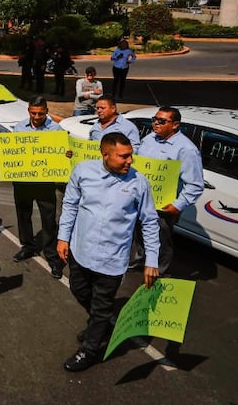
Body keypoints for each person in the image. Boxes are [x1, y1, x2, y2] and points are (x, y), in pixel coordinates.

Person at [56, 131, 160, 372]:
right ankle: (99, 324)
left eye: (131, 156)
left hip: (112, 259)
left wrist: (151, 260)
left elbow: (149, 222)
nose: (130, 161)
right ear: (105, 154)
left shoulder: (138, 182)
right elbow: (70, 205)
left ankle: (90, 350)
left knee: (102, 306)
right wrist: (63, 237)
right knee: (78, 289)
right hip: (80, 251)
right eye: (123, 157)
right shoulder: (83, 171)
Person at [132, 106, 204, 274]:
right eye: (154, 119)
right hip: (141, 199)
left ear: (175, 125)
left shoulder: (186, 149)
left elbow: (195, 184)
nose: (156, 123)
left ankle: (159, 271)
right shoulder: (150, 138)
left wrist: (177, 205)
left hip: (163, 205)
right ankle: (141, 262)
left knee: (160, 240)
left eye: (161, 121)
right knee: (140, 234)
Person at [8, 96, 67, 279]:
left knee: (48, 221)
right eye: (33, 113)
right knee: (23, 215)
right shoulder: (19, 127)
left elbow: (63, 153)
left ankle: (52, 257)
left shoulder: (56, 129)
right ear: (28, 111)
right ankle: (27, 247)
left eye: (40, 113)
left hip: (45, 183)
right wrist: (3, 151)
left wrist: (66, 153)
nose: (36, 116)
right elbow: (13, 151)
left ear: (46, 112)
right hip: (23, 182)